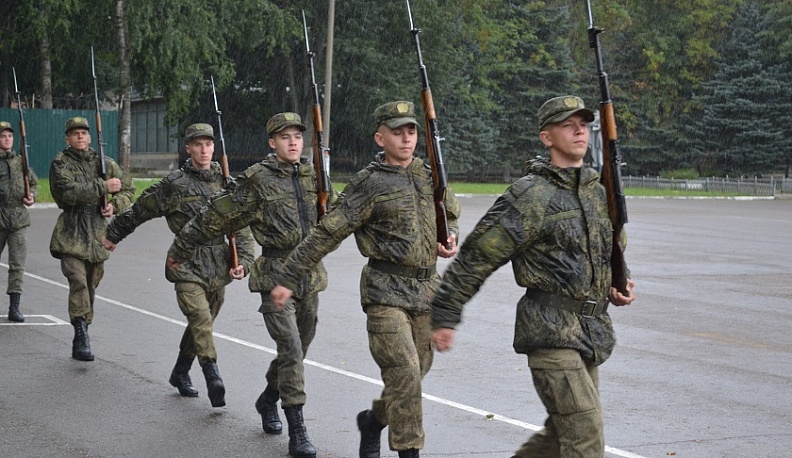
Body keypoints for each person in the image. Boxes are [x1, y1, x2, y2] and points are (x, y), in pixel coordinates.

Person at [429, 95, 636, 458]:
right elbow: (477, 257)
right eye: (567, 124)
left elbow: (607, 248)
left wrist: (620, 281)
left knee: (560, 436)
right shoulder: (530, 195)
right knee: (585, 437)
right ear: (546, 136)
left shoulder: (596, 190)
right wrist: (445, 315)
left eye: (584, 124)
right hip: (550, 332)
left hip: (591, 332)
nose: (578, 130)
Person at [270, 101, 460, 458]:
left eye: (412, 131)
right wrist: (290, 275)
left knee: (414, 378)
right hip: (385, 293)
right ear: (379, 137)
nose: (406, 138)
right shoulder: (368, 184)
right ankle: (409, 452)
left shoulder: (429, 173)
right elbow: (328, 232)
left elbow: (447, 213)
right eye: (397, 131)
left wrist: (449, 238)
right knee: (404, 374)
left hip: (427, 291)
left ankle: (373, 421)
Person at [167, 113, 329, 457]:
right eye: (285, 137)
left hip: (310, 276)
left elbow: (342, 215)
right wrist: (181, 248)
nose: (293, 141)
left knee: (299, 347)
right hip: (274, 274)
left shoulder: (316, 176)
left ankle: (268, 398)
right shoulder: (257, 179)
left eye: (297, 136)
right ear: (272, 142)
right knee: (291, 348)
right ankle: (298, 429)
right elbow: (217, 214)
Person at [103, 123, 254, 408]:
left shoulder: (226, 184)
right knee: (201, 320)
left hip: (218, 266)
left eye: (208, 144)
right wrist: (113, 234)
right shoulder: (175, 184)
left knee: (202, 323)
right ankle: (213, 376)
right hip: (184, 263)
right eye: (198, 144)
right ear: (188, 148)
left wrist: (244, 262)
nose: (204, 149)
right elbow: (139, 210)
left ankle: (180, 371)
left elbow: (241, 228)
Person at [49, 116, 135, 361]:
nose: (80, 137)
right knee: (77, 280)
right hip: (71, 233)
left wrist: (114, 205)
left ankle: (84, 325)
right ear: (68, 138)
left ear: (89, 137)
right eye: (75, 134)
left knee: (91, 283)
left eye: (84, 133)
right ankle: (80, 333)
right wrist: (102, 187)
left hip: (97, 234)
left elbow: (128, 188)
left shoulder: (104, 163)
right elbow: (67, 194)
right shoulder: (61, 163)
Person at [0, 120, 38, 322]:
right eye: (3, 136)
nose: (7, 139)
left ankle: (14, 307)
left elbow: (32, 183)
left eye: (9, 136)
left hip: (18, 219)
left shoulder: (20, 162)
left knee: (17, 265)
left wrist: (31, 195)